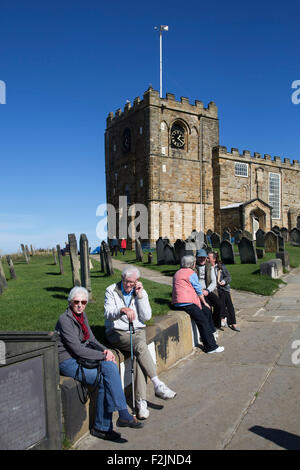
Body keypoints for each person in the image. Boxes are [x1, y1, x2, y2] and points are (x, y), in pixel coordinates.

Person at [55, 286, 143, 443]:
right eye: (76, 302)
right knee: (107, 371)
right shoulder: (65, 320)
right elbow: (77, 349)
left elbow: (92, 340)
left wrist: (106, 350)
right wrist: (102, 356)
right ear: (70, 302)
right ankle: (117, 417)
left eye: (83, 302)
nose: (80, 305)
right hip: (68, 361)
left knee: (107, 372)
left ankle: (104, 426)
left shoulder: (82, 316)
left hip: (80, 357)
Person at [104, 266, 176, 420]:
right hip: (117, 332)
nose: (131, 285)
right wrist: (121, 310)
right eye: (128, 282)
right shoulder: (111, 290)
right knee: (140, 346)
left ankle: (141, 403)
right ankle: (157, 384)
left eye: (134, 282)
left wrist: (141, 296)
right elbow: (108, 313)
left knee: (138, 356)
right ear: (122, 279)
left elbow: (146, 316)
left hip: (137, 331)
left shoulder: (140, 291)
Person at [172, 255, 224, 354]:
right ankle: (211, 347)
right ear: (192, 264)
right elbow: (198, 290)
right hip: (186, 302)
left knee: (205, 310)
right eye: (194, 262)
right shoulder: (191, 273)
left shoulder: (177, 273)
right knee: (202, 320)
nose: (195, 264)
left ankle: (212, 332)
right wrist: (204, 302)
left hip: (177, 302)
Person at [208, 251, 240, 332]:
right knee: (220, 298)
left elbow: (228, 277)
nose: (207, 259)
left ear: (214, 259)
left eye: (209, 258)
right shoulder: (207, 268)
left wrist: (224, 281)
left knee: (229, 303)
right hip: (213, 289)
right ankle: (222, 318)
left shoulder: (220, 266)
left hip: (223, 288)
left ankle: (233, 323)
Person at [195, 248, 223, 329]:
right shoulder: (194, 267)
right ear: (197, 258)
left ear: (206, 258)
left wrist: (207, 290)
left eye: (203, 257)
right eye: (200, 257)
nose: (202, 259)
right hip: (199, 292)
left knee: (219, 304)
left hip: (207, 290)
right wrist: (200, 291)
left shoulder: (209, 267)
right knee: (207, 307)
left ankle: (216, 324)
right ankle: (209, 327)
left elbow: (214, 282)